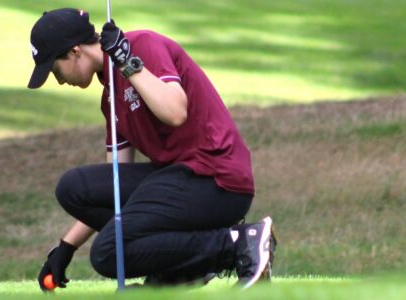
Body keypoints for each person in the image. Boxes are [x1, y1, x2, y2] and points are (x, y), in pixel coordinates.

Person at [26, 8, 276, 291]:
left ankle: (239, 244)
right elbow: (114, 189)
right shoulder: (110, 98)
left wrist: (127, 63)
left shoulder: (142, 45)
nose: (59, 80)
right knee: (74, 189)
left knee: (108, 253)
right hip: (181, 182)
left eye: (55, 70)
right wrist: (66, 246)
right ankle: (180, 267)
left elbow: (175, 111)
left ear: (74, 52)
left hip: (215, 179)